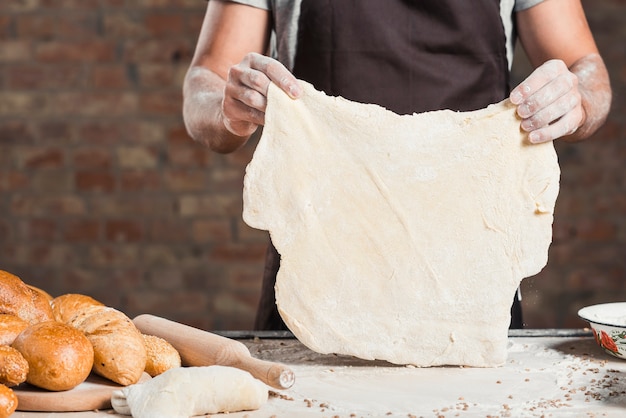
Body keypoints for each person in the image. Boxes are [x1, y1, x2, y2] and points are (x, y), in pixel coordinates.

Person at [182, 0, 612, 331]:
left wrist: (576, 97)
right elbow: (207, 79)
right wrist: (226, 109)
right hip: (323, 255)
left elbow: (587, 69)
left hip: (470, 253)